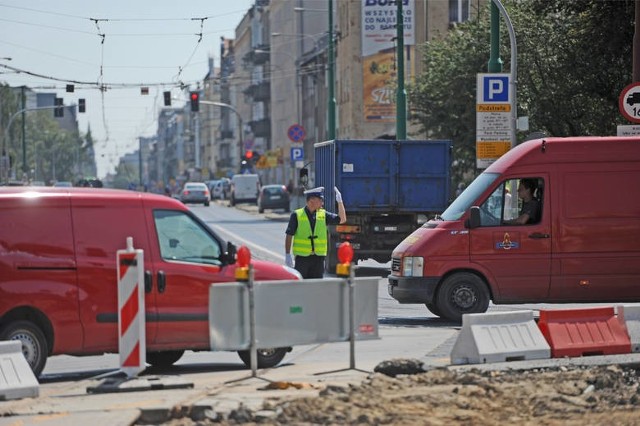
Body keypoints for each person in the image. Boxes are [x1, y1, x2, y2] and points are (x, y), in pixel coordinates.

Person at [284, 186, 347, 278]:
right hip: (302, 259)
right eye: (320, 200)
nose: (322, 202)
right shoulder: (296, 215)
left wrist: (340, 202)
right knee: (301, 286)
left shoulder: (323, 214)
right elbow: (289, 235)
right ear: (311, 200)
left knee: (316, 286)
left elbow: (342, 220)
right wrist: (287, 254)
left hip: (318, 259)